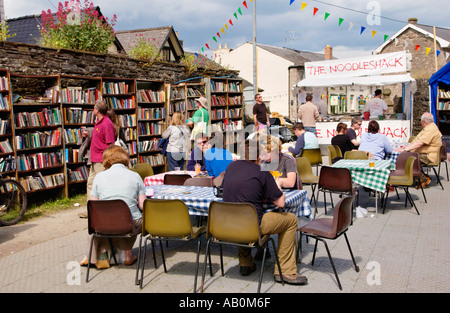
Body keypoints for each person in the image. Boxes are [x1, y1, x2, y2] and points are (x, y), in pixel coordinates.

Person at [221, 138, 307, 285]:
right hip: (254, 225)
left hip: (229, 224)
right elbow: (280, 202)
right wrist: (277, 186)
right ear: (259, 156)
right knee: (291, 220)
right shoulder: (262, 171)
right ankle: (285, 270)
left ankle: (245, 263)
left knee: (241, 214)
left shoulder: (230, 167)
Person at [79, 145, 146, 268]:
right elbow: (142, 205)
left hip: (104, 224)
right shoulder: (135, 176)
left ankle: (102, 254)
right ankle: (128, 255)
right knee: (133, 216)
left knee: (116, 218)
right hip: (129, 223)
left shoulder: (98, 177)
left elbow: (95, 206)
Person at [79, 100, 116, 218]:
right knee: (90, 184)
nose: (93, 109)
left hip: (102, 160)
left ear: (97, 110)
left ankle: (105, 211)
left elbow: (111, 144)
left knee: (103, 185)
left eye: (94, 107)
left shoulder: (106, 123)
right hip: (94, 160)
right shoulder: (98, 122)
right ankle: (91, 211)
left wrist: (107, 161)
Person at [395, 112, 442, 188]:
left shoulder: (430, 130)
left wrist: (405, 149)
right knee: (408, 158)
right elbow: (417, 141)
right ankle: (420, 178)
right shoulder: (429, 127)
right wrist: (407, 146)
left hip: (428, 156)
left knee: (409, 160)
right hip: (425, 154)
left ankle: (423, 179)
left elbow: (420, 143)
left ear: (423, 121)